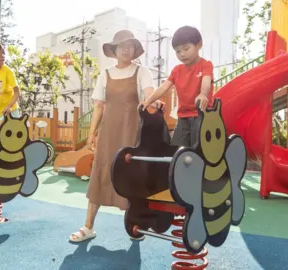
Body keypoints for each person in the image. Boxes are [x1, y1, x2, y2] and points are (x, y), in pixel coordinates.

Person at [69, 30, 164, 243]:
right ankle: (88, 227)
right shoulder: (105, 74)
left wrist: (153, 101)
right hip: (108, 133)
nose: (126, 49)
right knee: (100, 175)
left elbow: (149, 94)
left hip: (132, 132)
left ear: (134, 48)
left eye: (130, 45)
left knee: (133, 176)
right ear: (114, 50)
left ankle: (135, 226)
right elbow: (98, 107)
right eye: (121, 45)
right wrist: (92, 133)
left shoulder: (142, 72)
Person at [141, 26, 214, 147]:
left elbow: (206, 81)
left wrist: (203, 94)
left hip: (202, 114)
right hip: (183, 115)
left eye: (186, 49)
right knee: (177, 147)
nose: (182, 54)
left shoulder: (205, 65)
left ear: (199, 45)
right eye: (178, 51)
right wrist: (148, 101)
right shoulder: (177, 70)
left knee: (198, 146)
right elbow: (164, 87)